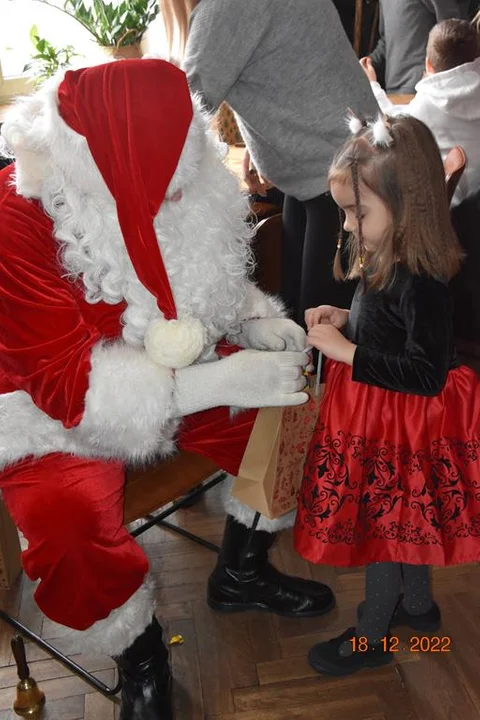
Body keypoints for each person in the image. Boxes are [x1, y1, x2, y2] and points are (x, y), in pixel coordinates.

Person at [0, 59, 335, 720]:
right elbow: (70, 391)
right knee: (66, 524)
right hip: (50, 410)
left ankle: (241, 569)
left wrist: (255, 320)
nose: (170, 198)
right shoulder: (19, 217)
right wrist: (226, 379)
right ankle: (141, 653)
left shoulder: (190, 170)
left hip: (182, 365)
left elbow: (206, 271)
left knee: (293, 410)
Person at [293, 114, 480, 675]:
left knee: (383, 523)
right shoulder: (387, 253)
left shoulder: (423, 279)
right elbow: (390, 331)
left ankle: (374, 636)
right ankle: (418, 610)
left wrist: (347, 353)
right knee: (407, 520)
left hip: (406, 421)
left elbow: (425, 373)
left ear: (407, 206)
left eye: (358, 212)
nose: (348, 226)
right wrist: (348, 321)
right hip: (383, 411)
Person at [160, 0, 379, 324]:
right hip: (343, 168)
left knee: (316, 331)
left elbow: (182, 110)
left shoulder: (223, 9)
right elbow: (294, 69)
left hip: (341, 181)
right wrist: (260, 143)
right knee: (298, 318)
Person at [362, 19, 480, 206]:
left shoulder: (428, 103)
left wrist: (373, 85)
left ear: (428, 65)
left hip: (446, 210)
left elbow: (391, 126)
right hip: (474, 208)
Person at [366, 0, 470, 94]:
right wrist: (368, 62)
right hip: (393, 90)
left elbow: (455, 34)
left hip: (425, 88)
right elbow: (385, 42)